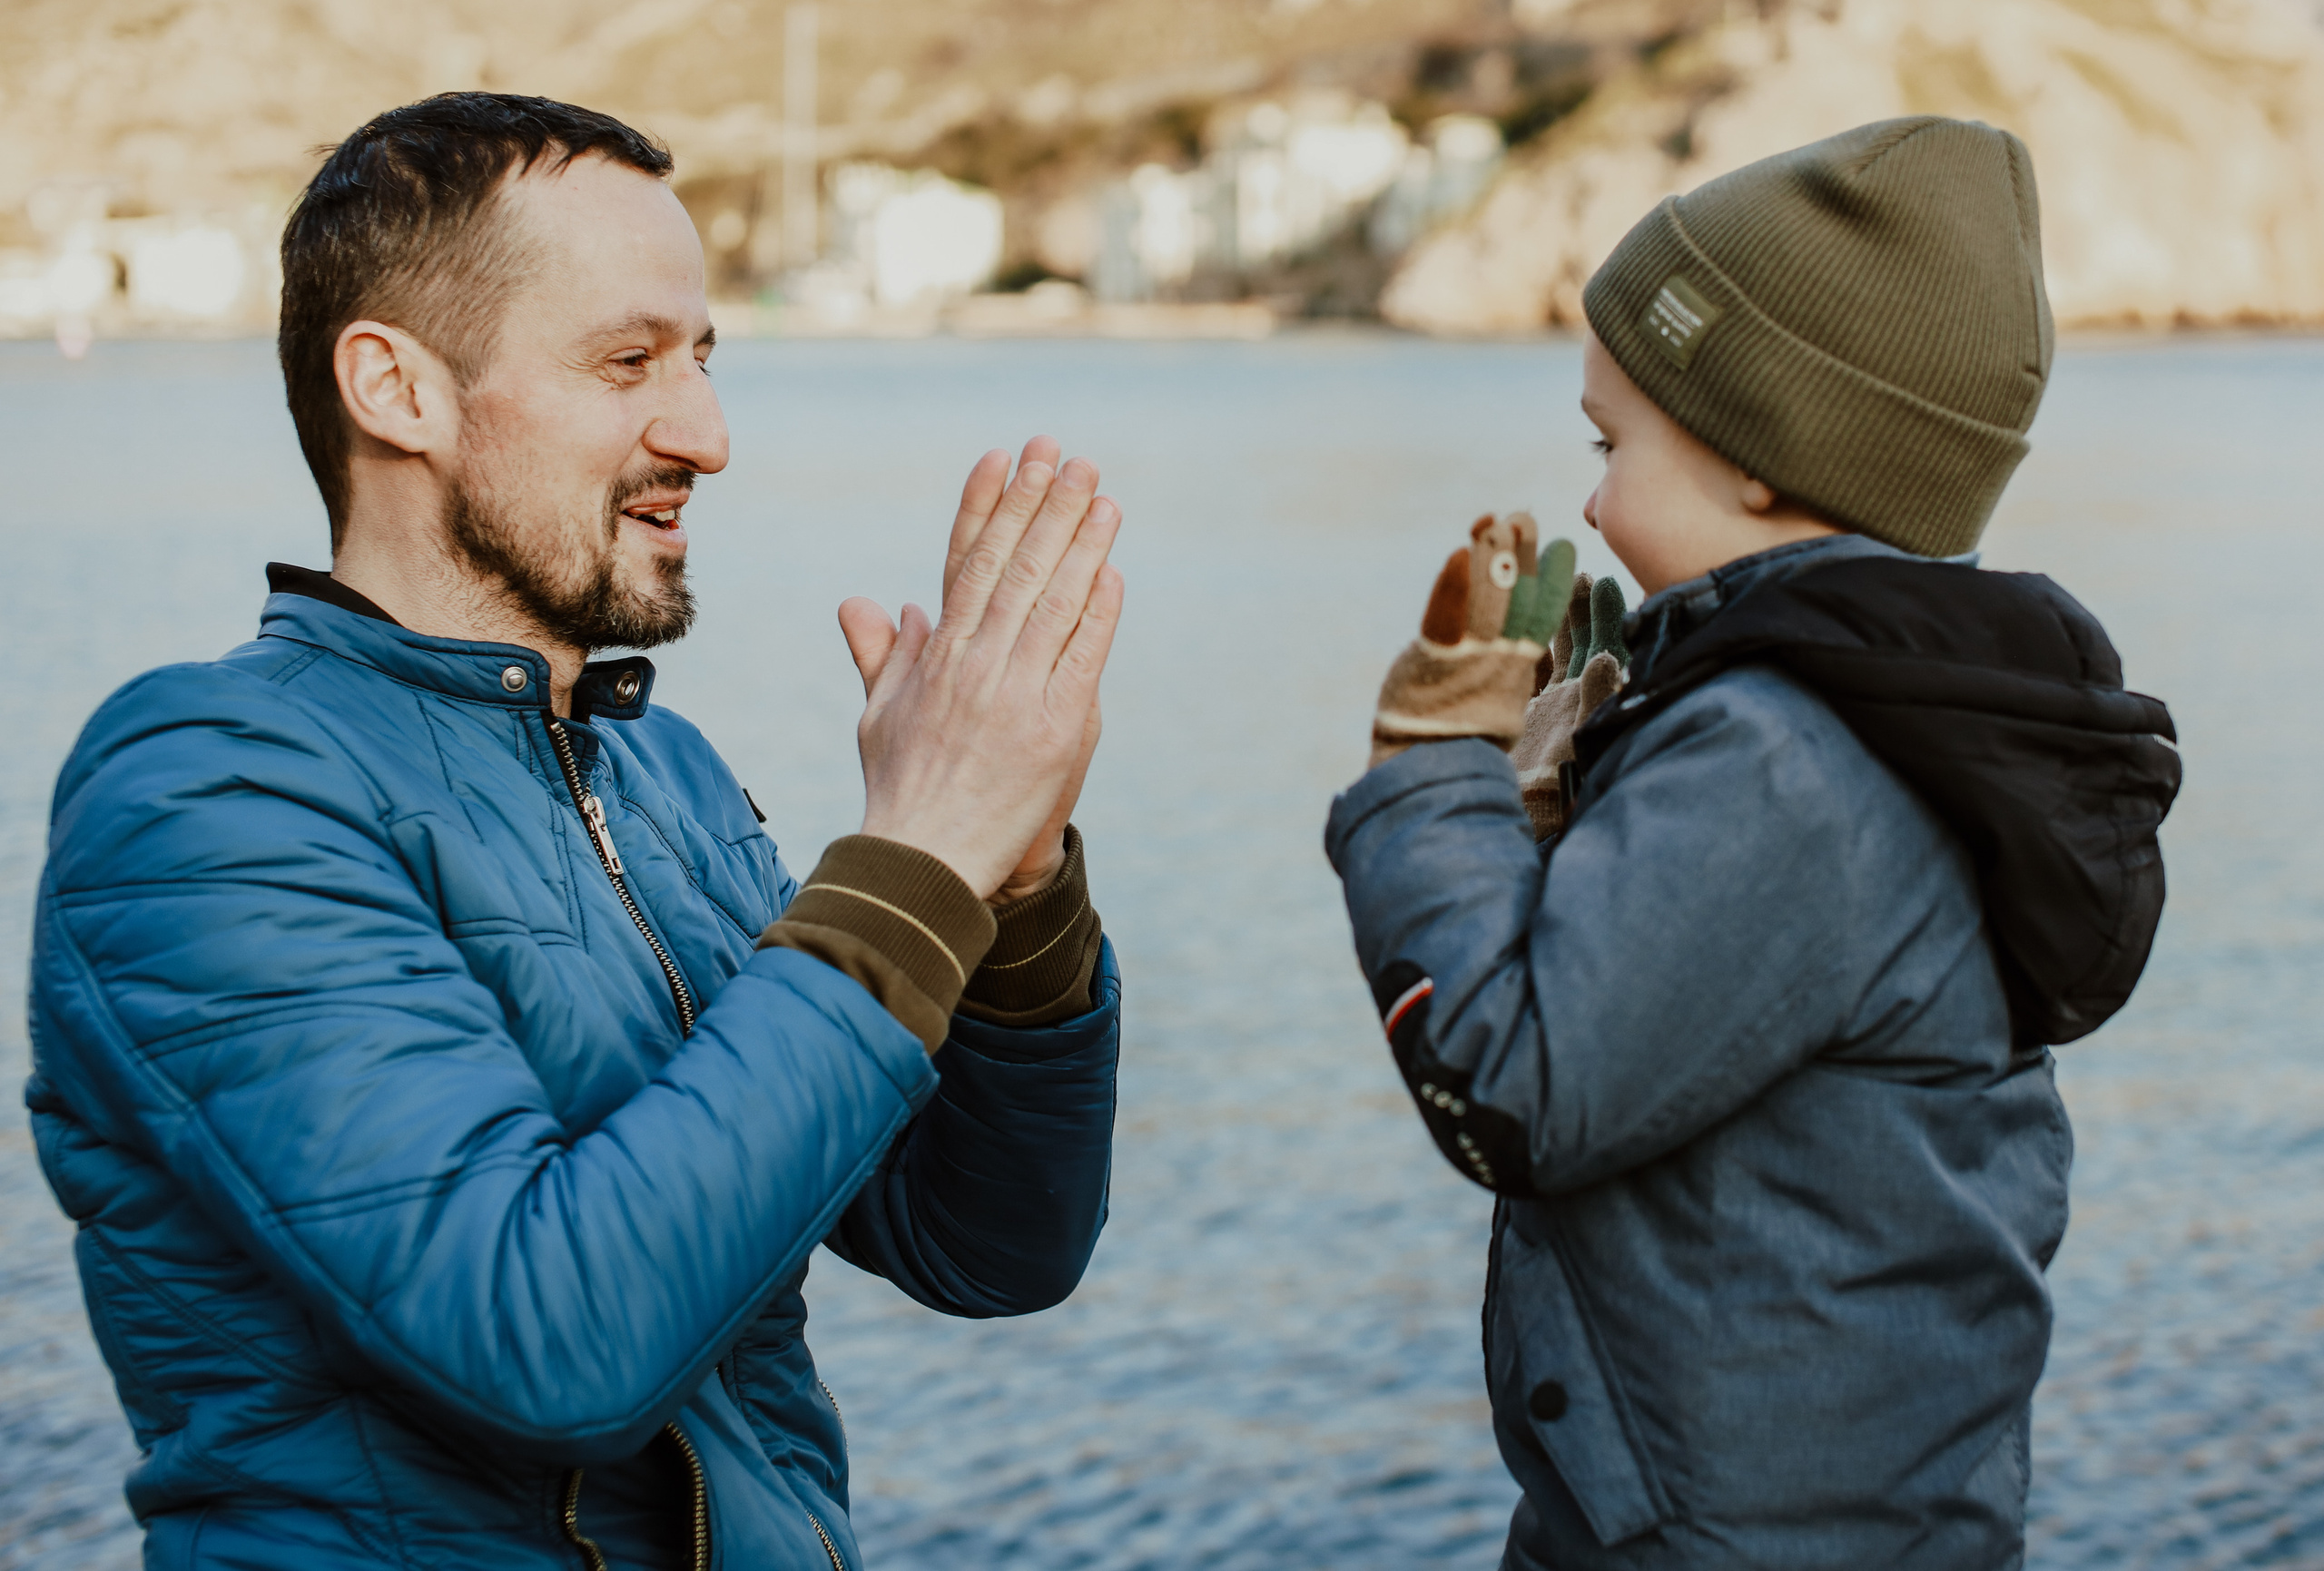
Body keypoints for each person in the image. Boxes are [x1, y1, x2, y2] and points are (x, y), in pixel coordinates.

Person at [26, 93, 1125, 1570]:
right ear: (395, 390)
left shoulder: (662, 776)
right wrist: (914, 854)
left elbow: (988, 1246)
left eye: (704, 359)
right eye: (628, 363)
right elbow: (550, 1344)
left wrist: (1018, 885)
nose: (709, 435)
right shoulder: (200, 792)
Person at [1329, 118, 2180, 1568]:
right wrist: (1559, 827)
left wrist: (1435, 775)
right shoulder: (1883, 718)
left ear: (1766, 457)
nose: (1589, 501)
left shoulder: (1784, 759)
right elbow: (1667, 1011)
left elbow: (1517, 1085)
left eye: (1612, 444)